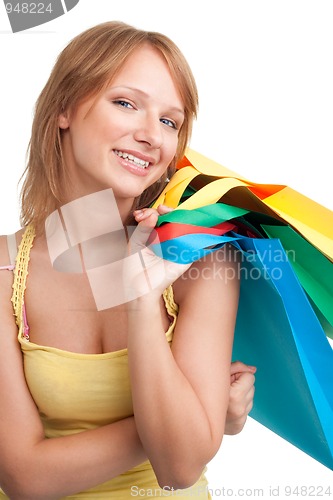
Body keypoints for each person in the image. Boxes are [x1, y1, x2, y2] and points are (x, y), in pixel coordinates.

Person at [0, 21, 256, 499]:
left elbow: (178, 469)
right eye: (125, 103)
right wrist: (199, 419)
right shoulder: (3, 268)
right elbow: (24, 478)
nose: (151, 136)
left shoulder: (202, 261)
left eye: (169, 121)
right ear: (64, 109)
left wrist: (141, 297)